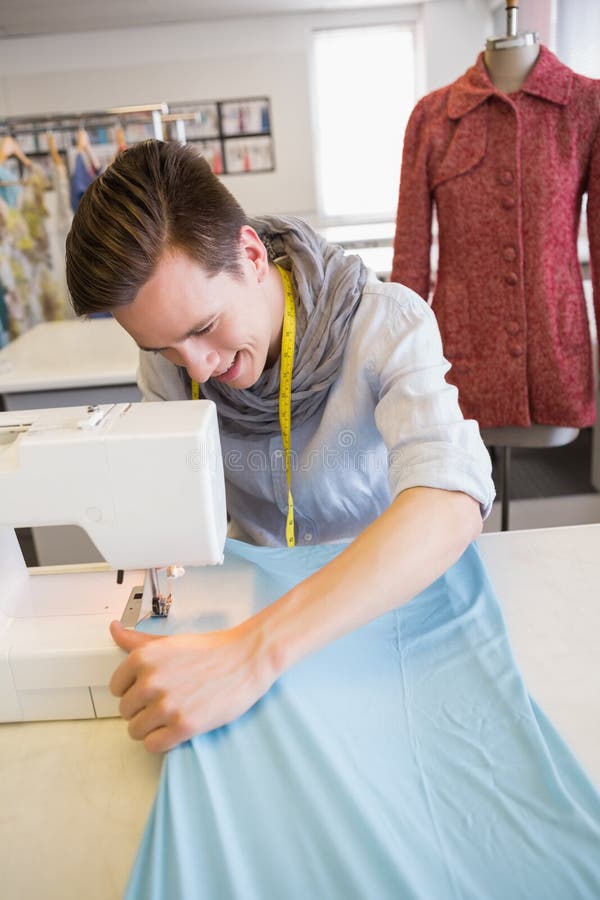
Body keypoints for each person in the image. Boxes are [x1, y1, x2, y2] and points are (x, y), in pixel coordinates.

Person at [65, 140, 495, 753]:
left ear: (250, 254)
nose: (199, 368)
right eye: (163, 348)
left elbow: (450, 499)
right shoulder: (173, 363)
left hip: (380, 608)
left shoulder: (386, 326)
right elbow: (164, 499)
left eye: (203, 329)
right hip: (247, 612)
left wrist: (255, 653)